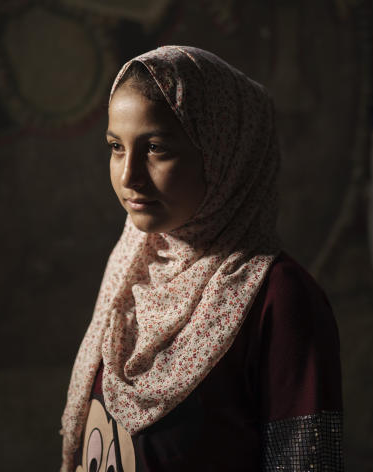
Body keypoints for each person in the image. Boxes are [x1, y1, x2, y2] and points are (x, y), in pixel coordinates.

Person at [60, 45, 343, 472]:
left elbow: (305, 462)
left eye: (156, 147)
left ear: (224, 153)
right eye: (116, 147)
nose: (129, 176)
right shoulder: (131, 267)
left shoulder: (279, 297)